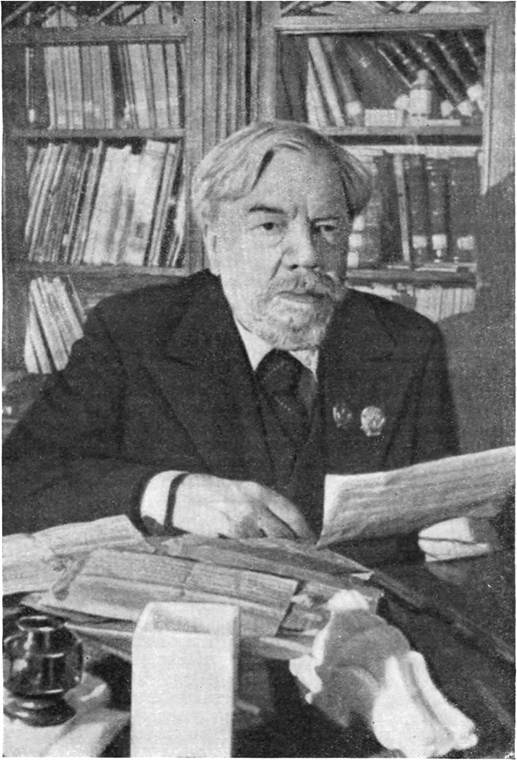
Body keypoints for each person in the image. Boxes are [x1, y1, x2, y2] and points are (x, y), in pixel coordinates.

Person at [3, 121, 458, 565]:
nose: (307, 255)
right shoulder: (134, 331)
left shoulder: (407, 343)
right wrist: (170, 493)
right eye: (270, 226)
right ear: (216, 245)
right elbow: (17, 482)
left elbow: (439, 509)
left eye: (327, 228)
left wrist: (460, 534)